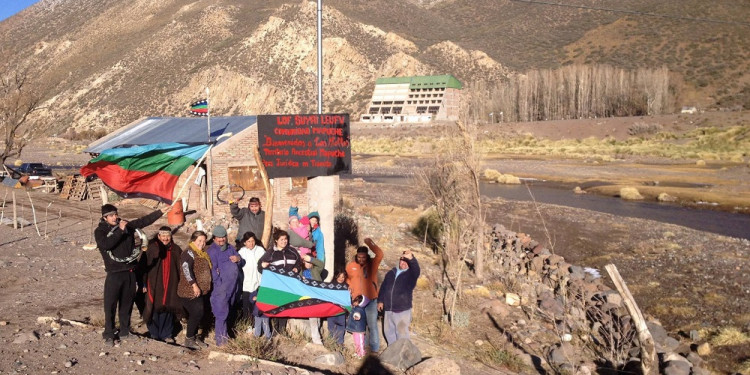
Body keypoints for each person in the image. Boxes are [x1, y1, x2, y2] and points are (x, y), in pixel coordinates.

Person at [94, 203, 167, 347]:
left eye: (116, 214)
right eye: (112, 215)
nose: (115, 217)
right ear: (105, 217)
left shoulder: (125, 225)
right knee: (110, 305)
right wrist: (120, 231)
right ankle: (109, 333)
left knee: (126, 304)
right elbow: (106, 245)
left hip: (129, 272)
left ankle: (125, 331)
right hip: (114, 273)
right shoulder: (100, 231)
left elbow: (142, 221)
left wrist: (159, 212)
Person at [141, 226, 182, 343]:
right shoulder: (152, 248)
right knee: (153, 307)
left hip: (171, 284)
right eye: (163, 236)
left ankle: (166, 334)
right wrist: (143, 282)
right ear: (159, 236)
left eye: (167, 236)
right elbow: (144, 266)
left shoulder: (176, 249)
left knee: (168, 308)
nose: (165, 238)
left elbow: (181, 268)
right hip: (155, 284)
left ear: (171, 237)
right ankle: (154, 332)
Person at [259, 230, 301, 335]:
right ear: (276, 240)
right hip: (276, 285)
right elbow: (260, 266)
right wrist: (262, 266)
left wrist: (296, 268)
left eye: (285, 239)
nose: (284, 241)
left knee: (286, 306)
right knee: (275, 306)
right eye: (281, 239)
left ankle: (282, 330)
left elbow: (299, 262)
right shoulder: (271, 252)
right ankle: (274, 329)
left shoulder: (292, 251)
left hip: (289, 285)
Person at [346, 238, 384, 353]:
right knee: (361, 325)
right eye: (359, 257)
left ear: (367, 256)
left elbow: (380, 254)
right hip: (357, 301)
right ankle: (363, 347)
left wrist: (369, 242)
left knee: (372, 325)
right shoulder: (351, 266)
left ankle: (374, 349)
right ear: (356, 256)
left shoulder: (373, 264)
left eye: (363, 257)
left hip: (371, 300)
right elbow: (348, 279)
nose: (361, 259)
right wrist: (349, 287)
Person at [206, 225, 241, 346]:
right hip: (221, 288)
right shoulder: (212, 251)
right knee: (221, 312)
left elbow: (240, 259)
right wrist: (219, 283)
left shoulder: (230, 248)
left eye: (223, 237)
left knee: (229, 311)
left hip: (232, 287)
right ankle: (221, 340)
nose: (221, 240)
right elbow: (212, 270)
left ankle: (226, 334)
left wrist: (237, 258)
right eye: (218, 238)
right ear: (214, 238)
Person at [177, 230, 212, 349]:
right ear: (193, 240)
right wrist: (194, 285)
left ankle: (196, 337)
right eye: (199, 240)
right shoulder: (189, 252)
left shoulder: (202, 253)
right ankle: (189, 338)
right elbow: (186, 269)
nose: (202, 243)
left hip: (202, 290)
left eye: (204, 241)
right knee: (197, 312)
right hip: (189, 291)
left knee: (201, 314)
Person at [377, 249, 420, 345]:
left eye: (406, 262)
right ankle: (392, 354)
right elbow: (384, 287)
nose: (404, 263)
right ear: (399, 261)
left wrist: (411, 258)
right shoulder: (391, 273)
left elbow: (416, 269)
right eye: (402, 261)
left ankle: (404, 355)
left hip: (402, 310)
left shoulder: (411, 275)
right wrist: (380, 300)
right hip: (388, 309)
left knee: (402, 334)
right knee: (388, 333)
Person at [237, 232, 265, 329]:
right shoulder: (241, 252)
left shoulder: (260, 250)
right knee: (246, 307)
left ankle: (258, 327)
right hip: (246, 284)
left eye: (253, 241)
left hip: (258, 283)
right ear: (245, 242)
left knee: (257, 306)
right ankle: (248, 326)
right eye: (248, 241)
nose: (251, 243)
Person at [289, 198, 324, 264]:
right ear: (308, 220)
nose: (314, 222)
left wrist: (320, 262)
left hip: (308, 255)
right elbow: (293, 216)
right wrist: (293, 207)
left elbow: (320, 249)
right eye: (312, 220)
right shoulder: (301, 224)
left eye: (316, 220)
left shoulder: (318, 233)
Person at [300, 254, 325, 345]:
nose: (308, 264)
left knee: (318, 318)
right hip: (307, 297)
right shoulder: (301, 271)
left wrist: (311, 258)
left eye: (310, 262)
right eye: (306, 262)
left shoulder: (316, 270)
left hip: (318, 295)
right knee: (313, 316)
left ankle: (317, 334)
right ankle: (316, 339)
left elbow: (321, 264)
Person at [327, 270, 348, 346]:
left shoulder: (346, 287)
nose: (341, 278)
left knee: (341, 326)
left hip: (341, 310)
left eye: (343, 277)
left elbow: (348, 299)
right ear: (336, 276)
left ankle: (340, 343)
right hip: (331, 310)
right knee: (331, 327)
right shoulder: (330, 286)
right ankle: (331, 343)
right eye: (339, 276)